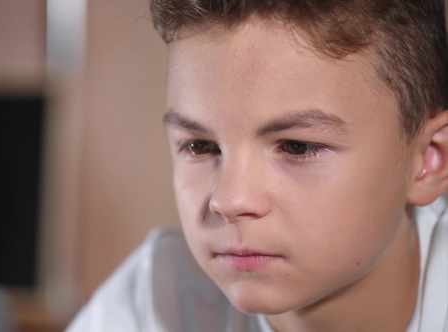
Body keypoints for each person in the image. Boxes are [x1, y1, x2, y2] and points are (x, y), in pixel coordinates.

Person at [66, 0, 448, 331]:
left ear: (429, 160)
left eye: (297, 147)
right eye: (200, 146)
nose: (229, 201)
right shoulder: (159, 296)